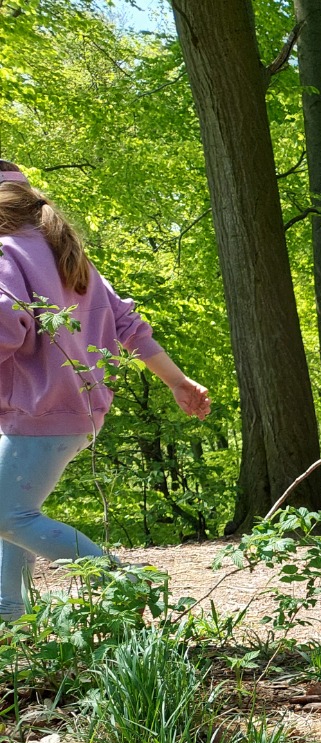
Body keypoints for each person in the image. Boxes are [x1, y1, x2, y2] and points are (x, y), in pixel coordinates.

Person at [0, 162, 210, 621]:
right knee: (16, 513)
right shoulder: (66, 253)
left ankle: (126, 585)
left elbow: (3, 326)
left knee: (7, 515)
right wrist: (177, 380)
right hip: (76, 411)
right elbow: (128, 326)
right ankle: (9, 616)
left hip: (35, 411)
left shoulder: (6, 252)